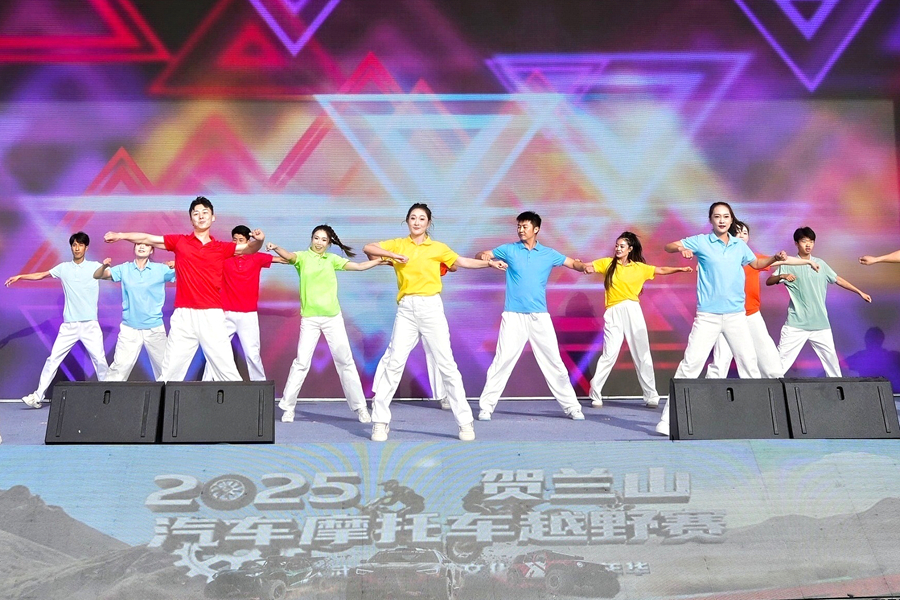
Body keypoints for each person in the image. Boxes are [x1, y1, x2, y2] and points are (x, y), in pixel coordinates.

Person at [363, 203, 501, 442]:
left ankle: (465, 422)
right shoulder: (398, 244)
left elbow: (462, 262)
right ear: (407, 221)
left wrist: (489, 263)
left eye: (421, 219)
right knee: (394, 363)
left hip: (431, 307)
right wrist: (393, 256)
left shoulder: (438, 248)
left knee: (447, 365)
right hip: (406, 308)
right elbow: (368, 248)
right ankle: (380, 422)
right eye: (413, 218)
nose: (417, 222)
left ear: (428, 223)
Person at [656, 202, 789, 436]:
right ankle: (667, 420)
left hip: (736, 316)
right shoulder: (701, 241)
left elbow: (756, 263)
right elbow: (669, 246)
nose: (722, 220)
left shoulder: (739, 245)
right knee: (691, 365)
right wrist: (681, 248)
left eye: (726, 216)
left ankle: (758, 419)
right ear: (711, 219)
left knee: (749, 364)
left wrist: (773, 258)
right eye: (717, 216)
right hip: (708, 316)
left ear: (731, 219)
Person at [104, 196, 263, 382]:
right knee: (170, 371)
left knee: (226, 369)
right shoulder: (180, 242)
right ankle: (164, 401)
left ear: (213, 217)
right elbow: (147, 238)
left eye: (205, 213)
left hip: (211, 314)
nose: (201, 216)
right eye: (196, 213)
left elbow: (249, 248)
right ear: (191, 219)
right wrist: (120, 235)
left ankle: (238, 402)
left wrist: (260, 241)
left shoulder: (221, 247)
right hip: (184, 315)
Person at [476, 211, 585, 421]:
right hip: (513, 316)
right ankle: (486, 407)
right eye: (518, 226)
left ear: (536, 229)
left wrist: (583, 266)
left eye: (524, 226)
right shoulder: (509, 249)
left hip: (539, 316)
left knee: (554, 362)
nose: (520, 230)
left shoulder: (548, 253)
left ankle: (572, 407)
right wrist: (486, 258)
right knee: (502, 361)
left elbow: (573, 263)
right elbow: (482, 254)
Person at [267, 225, 381, 424]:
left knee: (345, 361)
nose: (319, 242)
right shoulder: (302, 257)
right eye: (316, 238)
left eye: (323, 240)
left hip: (332, 318)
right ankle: (288, 407)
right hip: (310, 319)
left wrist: (380, 260)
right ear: (311, 238)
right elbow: (289, 255)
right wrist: (276, 247)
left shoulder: (332, 259)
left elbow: (359, 266)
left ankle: (361, 407)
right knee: (301, 362)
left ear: (329, 243)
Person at [578, 231, 692, 408]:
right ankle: (596, 392)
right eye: (617, 246)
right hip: (614, 311)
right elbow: (588, 266)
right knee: (609, 354)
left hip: (632, 310)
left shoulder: (639, 268)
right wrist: (581, 265)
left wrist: (680, 269)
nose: (618, 249)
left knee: (642, 353)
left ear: (630, 249)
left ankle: (651, 394)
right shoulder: (608, 263)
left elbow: (660, 270)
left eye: (622, 246)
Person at [6, 231, 109, 407]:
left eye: (81, 245)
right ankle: (37, 397)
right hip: (69, 326)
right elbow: (42, 275)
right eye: (74, 245)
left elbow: (109, 274)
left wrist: (106, 266)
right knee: (53, 359)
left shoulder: (95, 266)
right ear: (71, 247)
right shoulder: (63, 268)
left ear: (86, 248)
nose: (77, 248)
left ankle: (110, 397)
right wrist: (21, 276)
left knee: (100, 361)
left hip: (90, 325)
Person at [705, 220, 818, 379]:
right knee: (722, 355)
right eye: (738, 232)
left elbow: (783, 260)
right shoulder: (721, 258)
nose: (742, 235)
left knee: (765, 348)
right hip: (729, 314)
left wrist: (807, 261)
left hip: (751, 313)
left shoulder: (754, 259)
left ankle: (775, 381)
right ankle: (712, 386)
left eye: (745, 233)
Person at [767, 226, 871, 377]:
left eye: (811, 241)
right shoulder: (788, 263)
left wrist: (859, 292)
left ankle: (838, 390)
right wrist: (782, 276)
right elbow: (769, 281)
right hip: (796, 324)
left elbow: (837, 279)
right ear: (796, 243)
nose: (808, 245)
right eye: (804, 241)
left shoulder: (820, 263)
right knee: (779, 365)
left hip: (820, 324)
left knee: (833, 366)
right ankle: (768, 389)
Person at [201, 225, 281, 382]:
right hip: (226, 313)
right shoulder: (224, 257)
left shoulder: (256, 257)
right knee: (215, 351)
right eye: (235, 240)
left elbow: (284, 260)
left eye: (241, 240)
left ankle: (260, 388)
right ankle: (205, 385)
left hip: (248, 315)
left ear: (248, 241)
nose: (237, 243)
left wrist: (278, 249)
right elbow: (200, 260)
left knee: (252, 354)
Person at [93, 242, 176, 381]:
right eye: (138, 244)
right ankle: (109, 395)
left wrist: (178, 265)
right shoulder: (125, 268)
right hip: (129, 328)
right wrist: (104, 266)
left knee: (166, 370)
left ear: (151, 250)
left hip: (154, 328)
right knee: (118, 369)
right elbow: (97, 275)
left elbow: (188, 272)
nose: (141, 247)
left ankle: (168, 395)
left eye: (146, 245)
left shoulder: (161, 269)